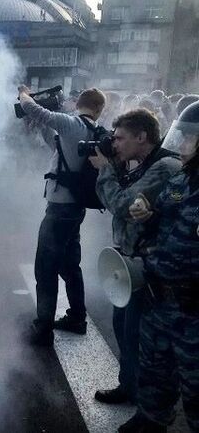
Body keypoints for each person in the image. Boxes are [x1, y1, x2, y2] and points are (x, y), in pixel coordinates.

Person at [90, 108, 181, 405]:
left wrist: (105, 169)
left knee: (137, 336)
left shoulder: (164, 166)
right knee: (123, 328)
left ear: (142, 136)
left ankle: (143, 399)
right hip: (131, 262)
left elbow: (122, 204)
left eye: (120, 138)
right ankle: (129, 385)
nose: (114, 144)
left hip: (151, 266)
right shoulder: (140, 164)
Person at [120, 101, 199, 432]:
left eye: (190, 138)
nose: (181, 145)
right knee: (153, 369)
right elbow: (160, 203)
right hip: (160, 297)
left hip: (193, 308)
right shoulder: (182, 180)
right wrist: (146, 208)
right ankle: (150, 419)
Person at [18, 86, 106, 346]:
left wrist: (25, 94)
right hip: (75, 207)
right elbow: (58, 148)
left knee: (45, 270)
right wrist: (43, 129)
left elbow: (32, 109)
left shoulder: (72, 123)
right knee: (69, 265)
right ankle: (77, 317)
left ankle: (43, 329)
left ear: (79, 102)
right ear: (100, 109)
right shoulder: (95, 131)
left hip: (59, 210)